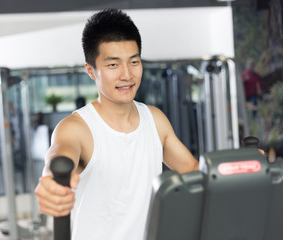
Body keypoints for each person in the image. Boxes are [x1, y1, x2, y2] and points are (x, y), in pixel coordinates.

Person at [35, 9, 198, 240]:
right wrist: (52, 180)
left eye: (134, 62)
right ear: (91, 70)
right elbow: (60, 156)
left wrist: (241, 171)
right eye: (113, 65)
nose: (127, 75)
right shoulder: (76, 128)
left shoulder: (155, 120)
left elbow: (193, 172)